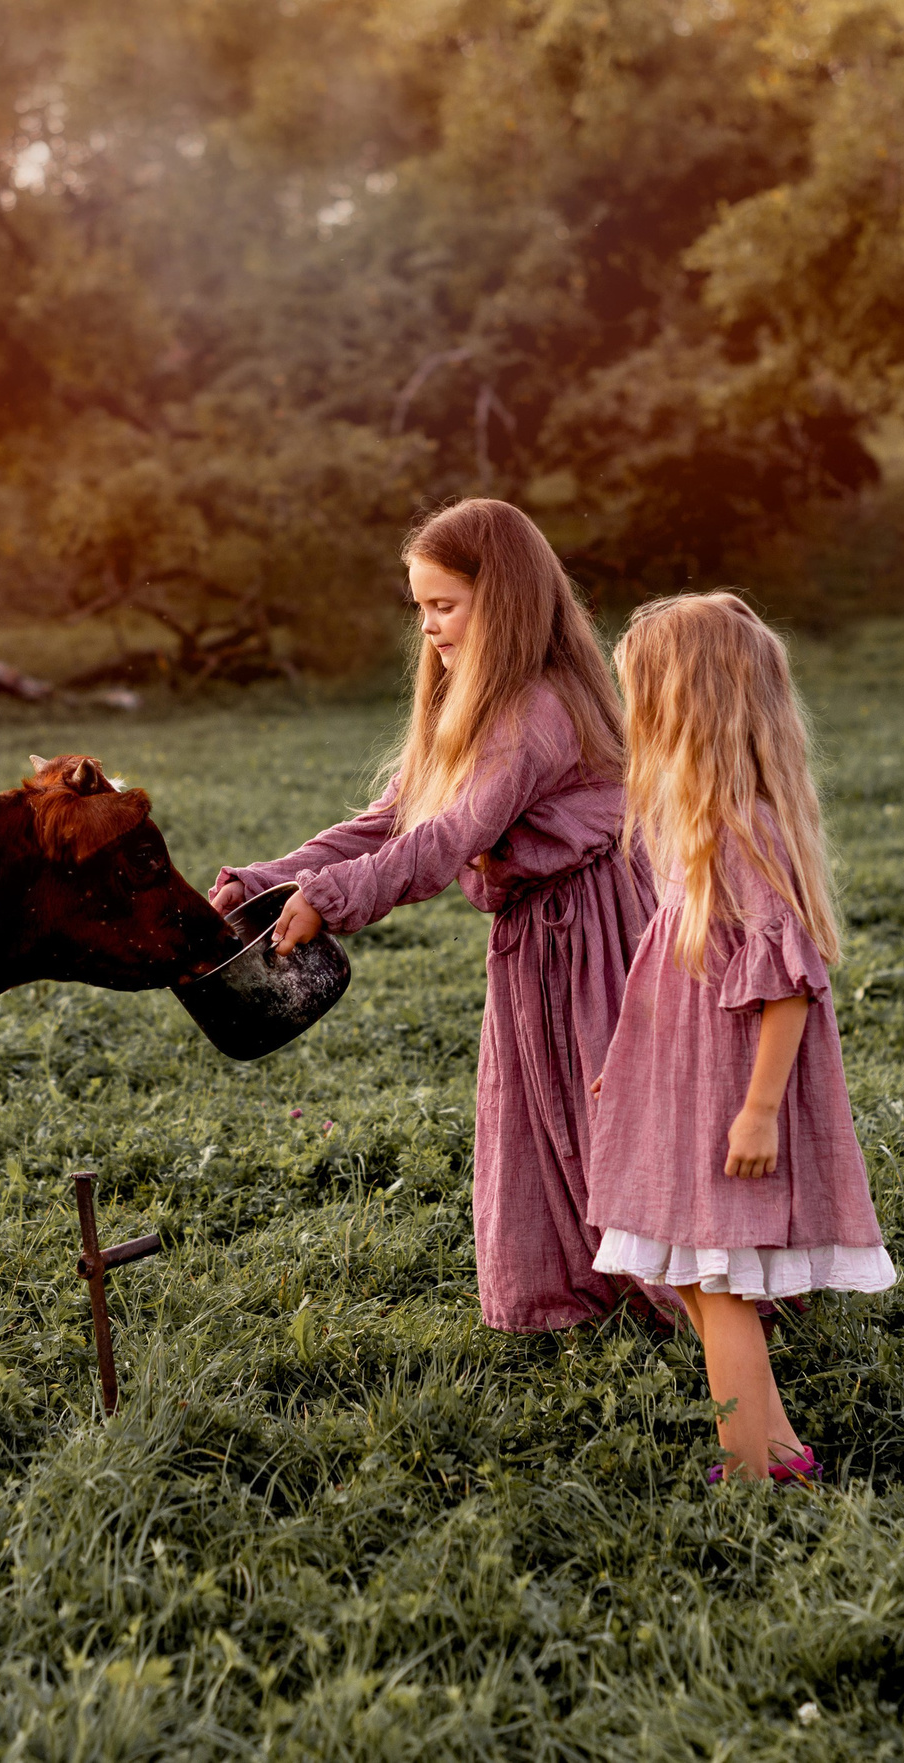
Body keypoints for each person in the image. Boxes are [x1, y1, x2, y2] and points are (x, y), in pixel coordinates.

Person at [211, 498, 656, 1333]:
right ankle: (575, 1297)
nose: (428, 628)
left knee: (611, 1109)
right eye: (420, 607)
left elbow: (454, 834)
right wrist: (265, 880)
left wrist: (332, 900)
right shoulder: (473, 701)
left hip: (600, 931)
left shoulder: (540, 710)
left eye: (444, 606)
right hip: (535, 937)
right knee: (541, 1108)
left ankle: (681, 1292)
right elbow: (391, 819)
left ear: (508, 602)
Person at [586, 591, 893, 1484]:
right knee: (694, 1276)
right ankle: (782, 1450)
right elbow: (665, 979)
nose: (633, 716)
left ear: (690, 705)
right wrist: (624, 1071)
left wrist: (761, 1111)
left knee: (716, 1285)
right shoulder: (691, 825)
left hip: (730, 1092)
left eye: (642, 696)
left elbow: (792, 984)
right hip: (683, 1082)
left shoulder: (743, 830)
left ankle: (749, 1471)